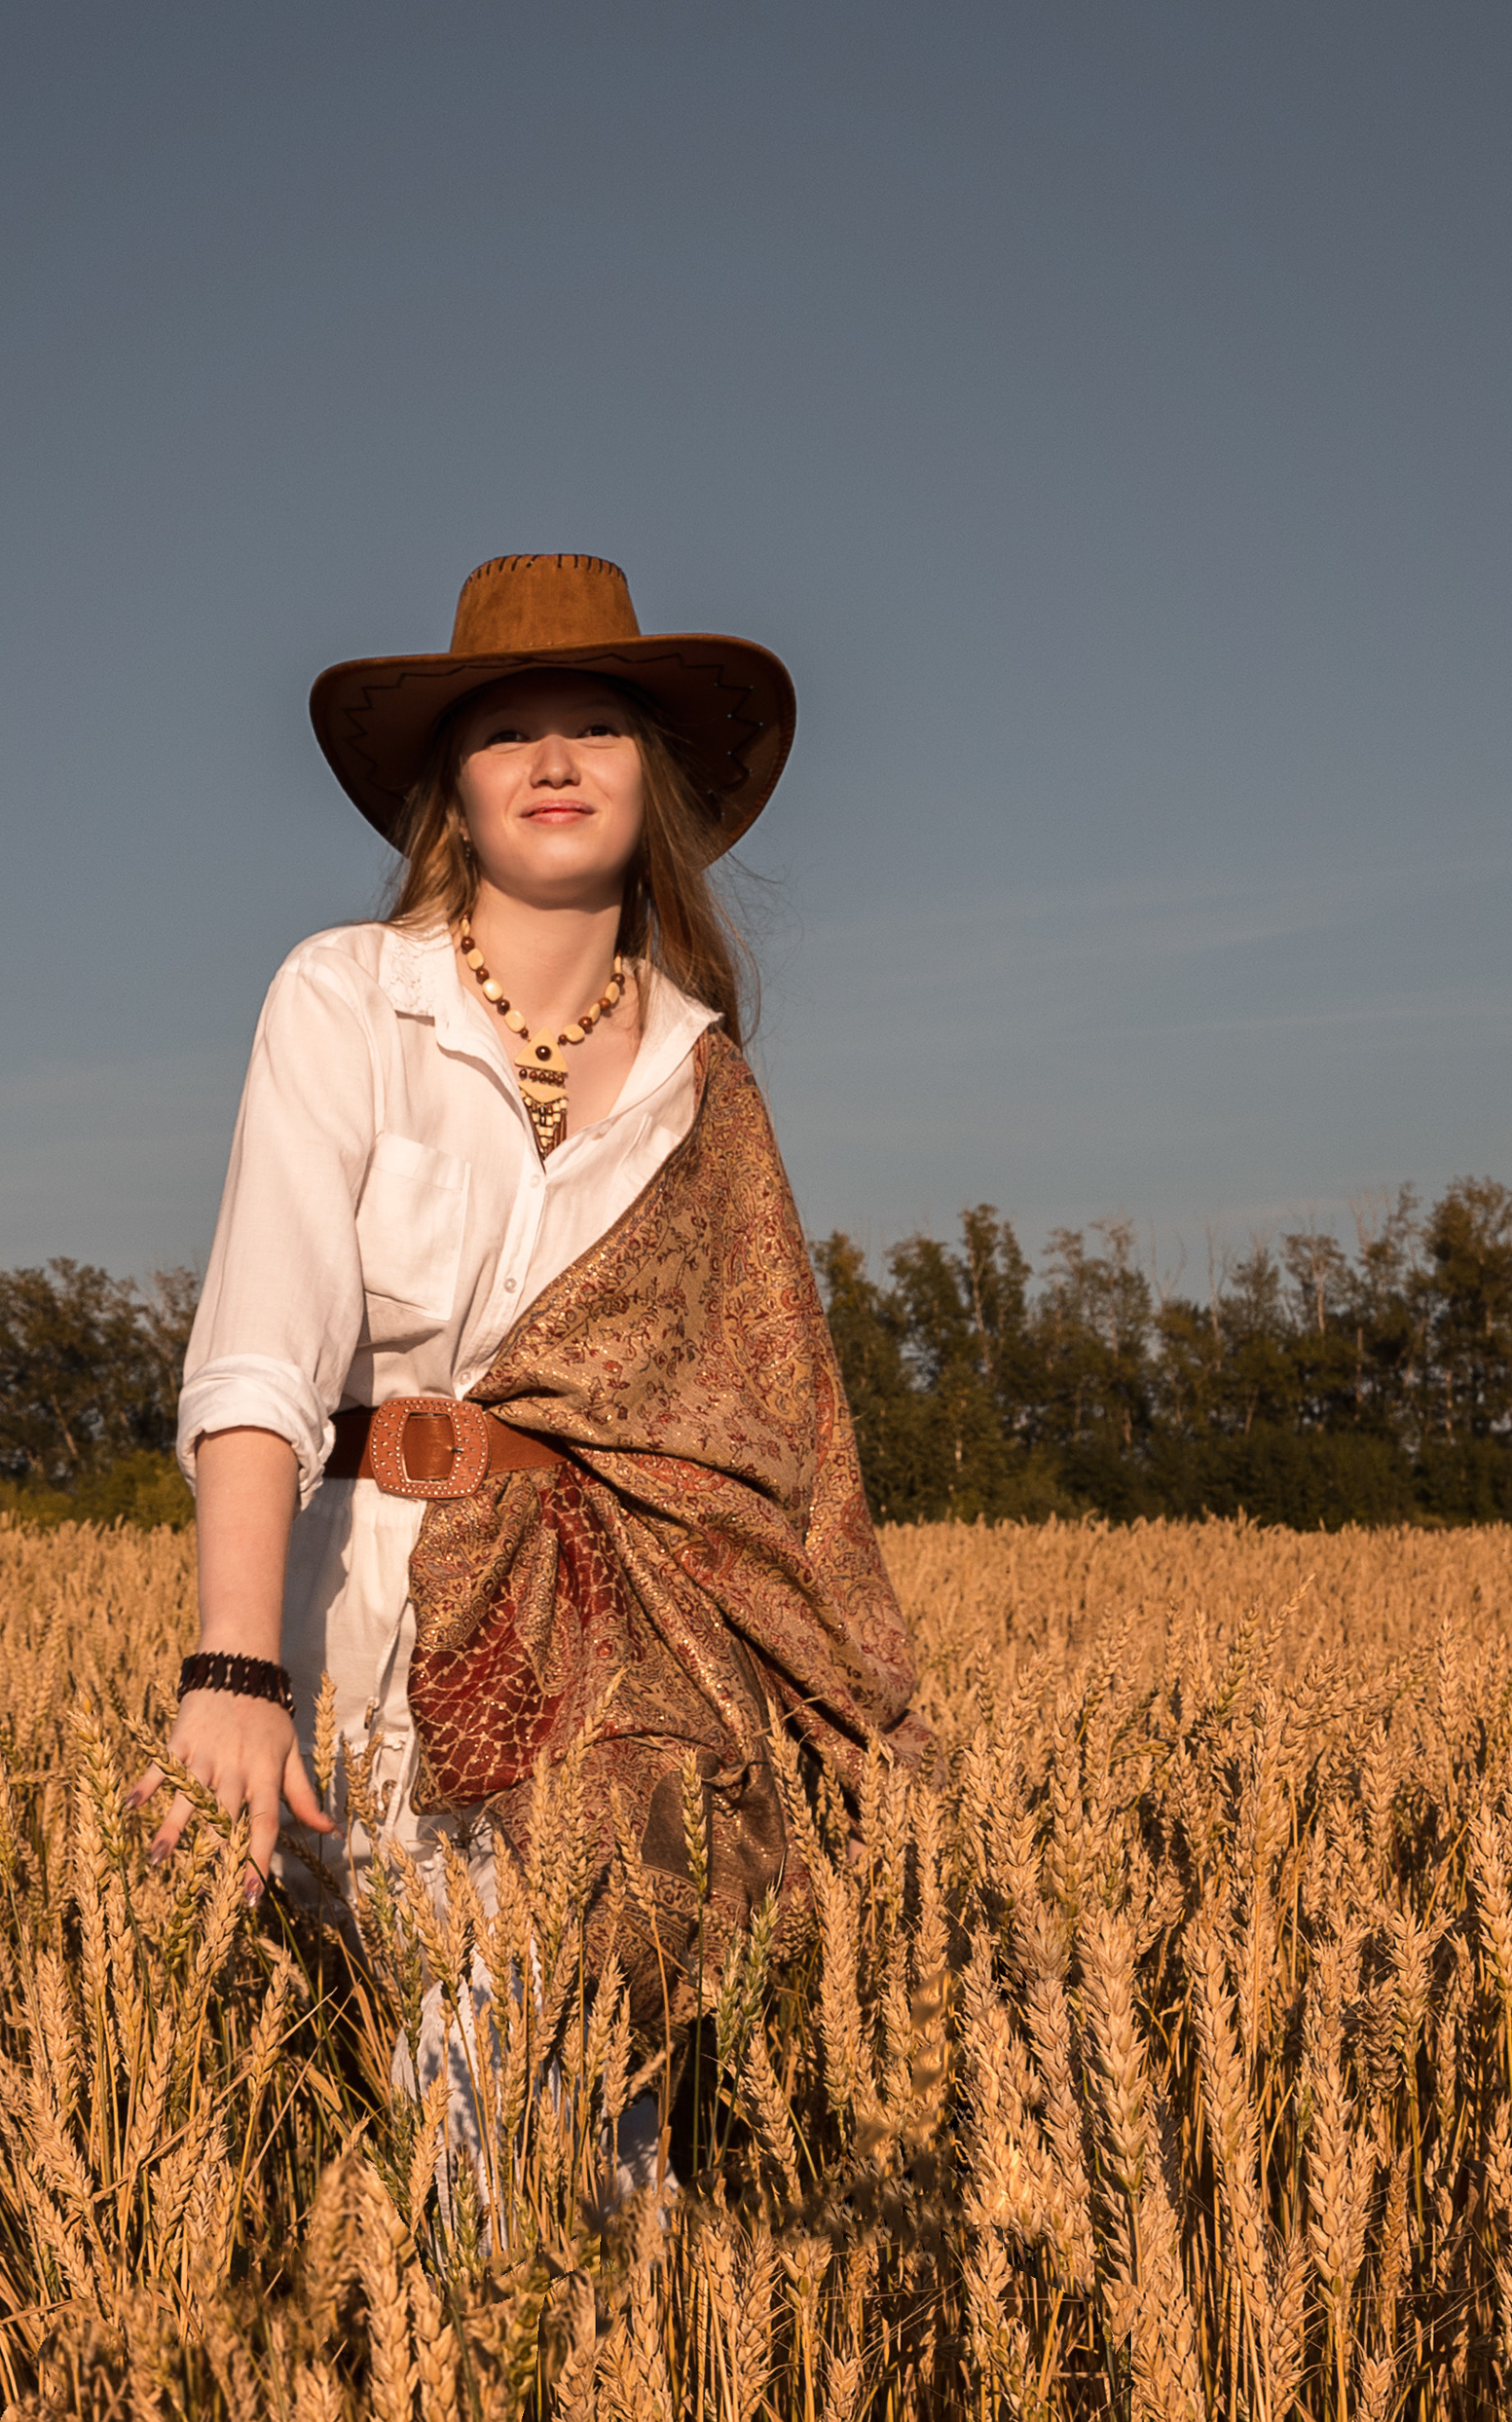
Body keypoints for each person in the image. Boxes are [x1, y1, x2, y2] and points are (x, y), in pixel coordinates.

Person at [133, 552, 931, 2166]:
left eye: (598, 728)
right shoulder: (348, 1002)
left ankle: (580, 2387)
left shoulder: (706, 1086)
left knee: (554, 2114)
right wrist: (233, 1666)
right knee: (410, 2108)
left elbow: (763, 1433)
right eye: (512, 734)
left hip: (629, 1647)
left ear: (658, 784)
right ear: (457, 791)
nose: (556, 763)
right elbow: (260, 1354)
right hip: (361, 1602)